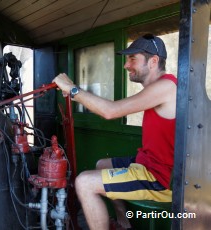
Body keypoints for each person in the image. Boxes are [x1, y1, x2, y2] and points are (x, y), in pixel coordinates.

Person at [52, 34, 177, 230]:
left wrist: (73, 90)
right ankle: (124, 223)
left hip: (161, 178)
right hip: (148, 161)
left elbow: (111, 111)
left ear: (153, 61)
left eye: (132, 59)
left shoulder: (167, 87)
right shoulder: (158, 88)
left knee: (84, 183)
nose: (126, 65)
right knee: (101, 164)